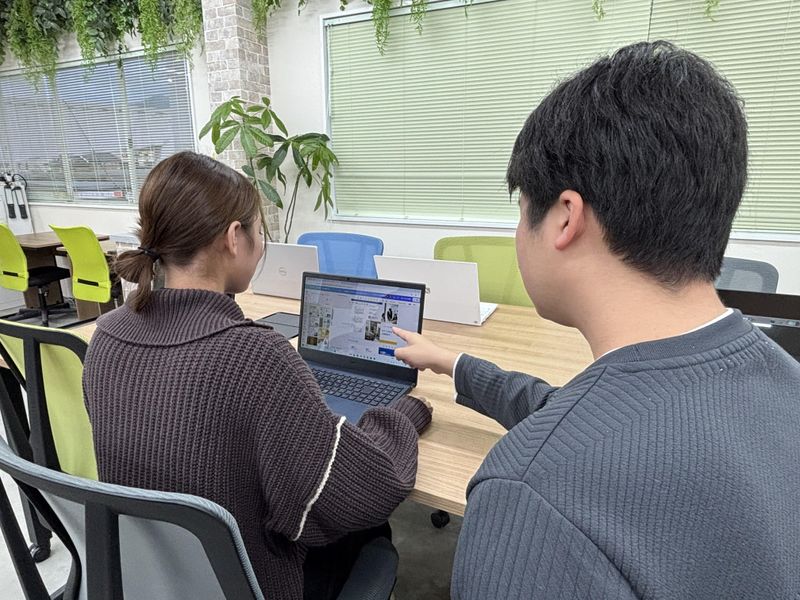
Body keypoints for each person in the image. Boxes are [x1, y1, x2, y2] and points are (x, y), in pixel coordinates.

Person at [394, 41, 800, 599]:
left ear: (565, 217)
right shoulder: (781, 377)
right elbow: (585, 417)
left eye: (520, 211)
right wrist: (453, 363)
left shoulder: (529, 495)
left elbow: (582, 438)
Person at [82, 151, 432, 600]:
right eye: (259, 231)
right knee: (373, 533)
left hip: (150, 578)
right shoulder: (255, 357)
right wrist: (402, 416)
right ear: (234, 238)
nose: (262, 244)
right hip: (250, 585)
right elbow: (361, 490)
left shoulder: (107, 335)